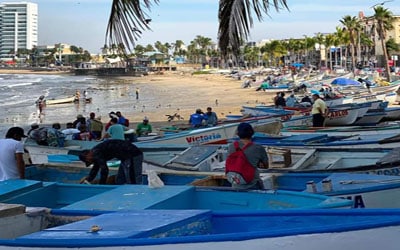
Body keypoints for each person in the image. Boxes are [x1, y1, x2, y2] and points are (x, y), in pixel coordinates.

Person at [78, 139, 143, 185]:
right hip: (124, 158)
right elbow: (95, 168)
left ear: (87, 156)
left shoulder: (96, 152)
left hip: (132, 155)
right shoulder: (95, 152)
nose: (90, 162)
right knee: (120, 179)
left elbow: (104, 169)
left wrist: (102, 185)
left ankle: (136, 196)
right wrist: (88, 179)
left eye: (88, 161)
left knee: (132, 180)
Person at [226, 123, 268, 190]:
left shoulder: (231, 146)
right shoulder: (258, 148)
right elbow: (266, 166)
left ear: (237, 133)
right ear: (252, 133)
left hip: (236, 184)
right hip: (253, 184)